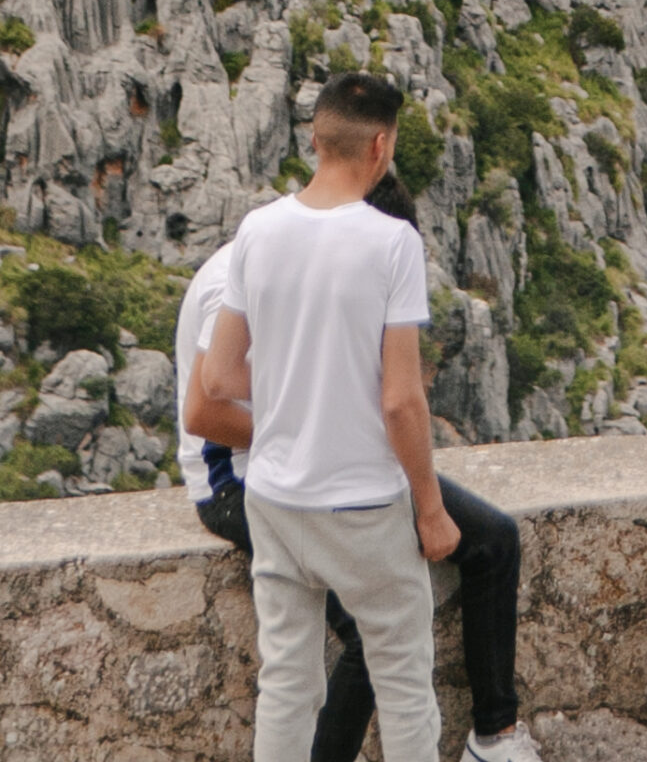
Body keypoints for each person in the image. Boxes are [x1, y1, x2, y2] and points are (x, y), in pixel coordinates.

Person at [179, 171, 538, 762]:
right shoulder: (240, 272)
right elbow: (203, 409)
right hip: (240, 478)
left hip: (330, 462)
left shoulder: (314, 255)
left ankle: (493, 737)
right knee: (370, 644)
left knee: (494, 538)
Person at [195, 72, 459, 762]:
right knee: (403, 682)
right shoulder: (391, 244)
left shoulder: (257, 231)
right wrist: (430, 511)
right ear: (381, 145)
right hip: (362, 506)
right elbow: (401, 400)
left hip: (275, 498)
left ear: (314, 137)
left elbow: (219, 378)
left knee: (286, 684)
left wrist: (294, 387)